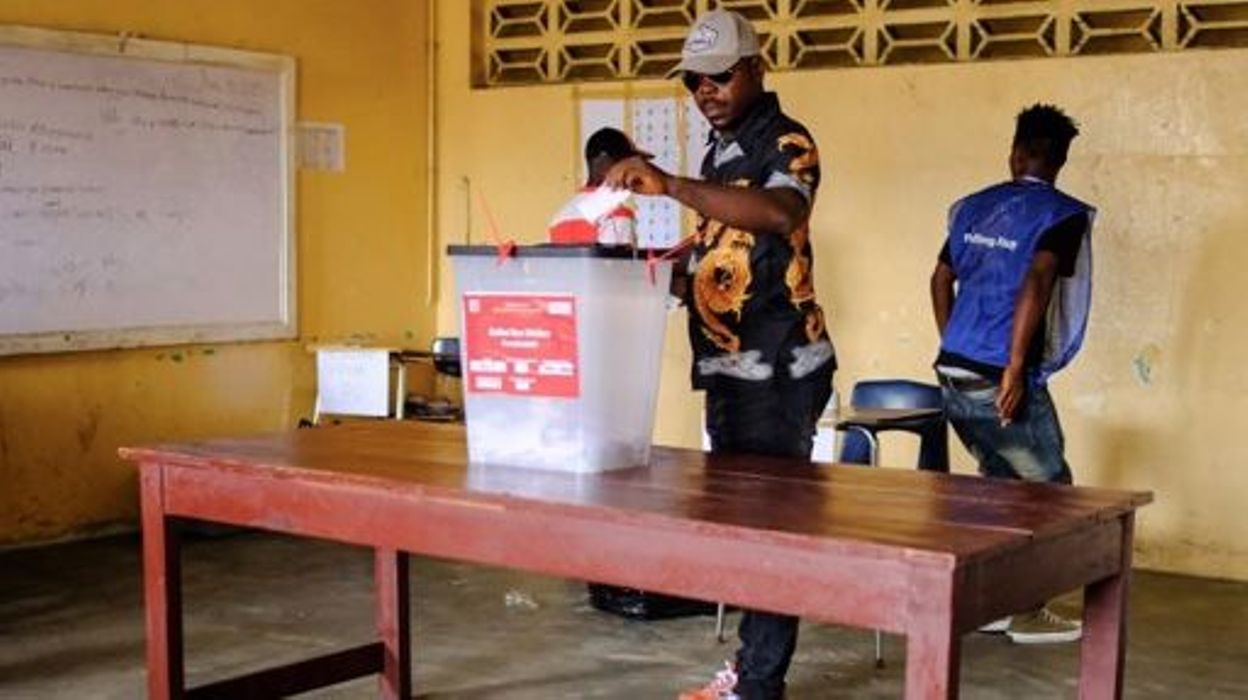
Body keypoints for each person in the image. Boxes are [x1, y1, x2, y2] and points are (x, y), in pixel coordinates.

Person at [604, 10, 835, 700]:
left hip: (779, 372)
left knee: (769, 537)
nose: (706, 90)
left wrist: (670, 184)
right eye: (693, 80)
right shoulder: (720, 151)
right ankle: (750, 674)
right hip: (734, 372)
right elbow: (730, 256)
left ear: (757, 68)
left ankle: (758, 686)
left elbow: (779, 215)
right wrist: (648, 277)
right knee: (747, 534)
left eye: (720, 75)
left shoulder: (788, 141)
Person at [930, 104, 1095, 644]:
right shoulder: (1062, 215)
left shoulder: (973, 207)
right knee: (1051, 490)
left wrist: (953, 341)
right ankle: (1025, 609)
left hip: (953, 367)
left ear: (1016, 153)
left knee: (997, 485)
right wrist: (1015, 369)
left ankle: (992, 604)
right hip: (1000, 374)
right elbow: (1038, 282)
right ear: (1060, 161)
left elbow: (939, 278)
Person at [547, 127, 641, 245]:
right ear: (605, 161)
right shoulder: (616, 214)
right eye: (629, 163)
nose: (634, 171)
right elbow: (619, 263)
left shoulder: (558, 217)